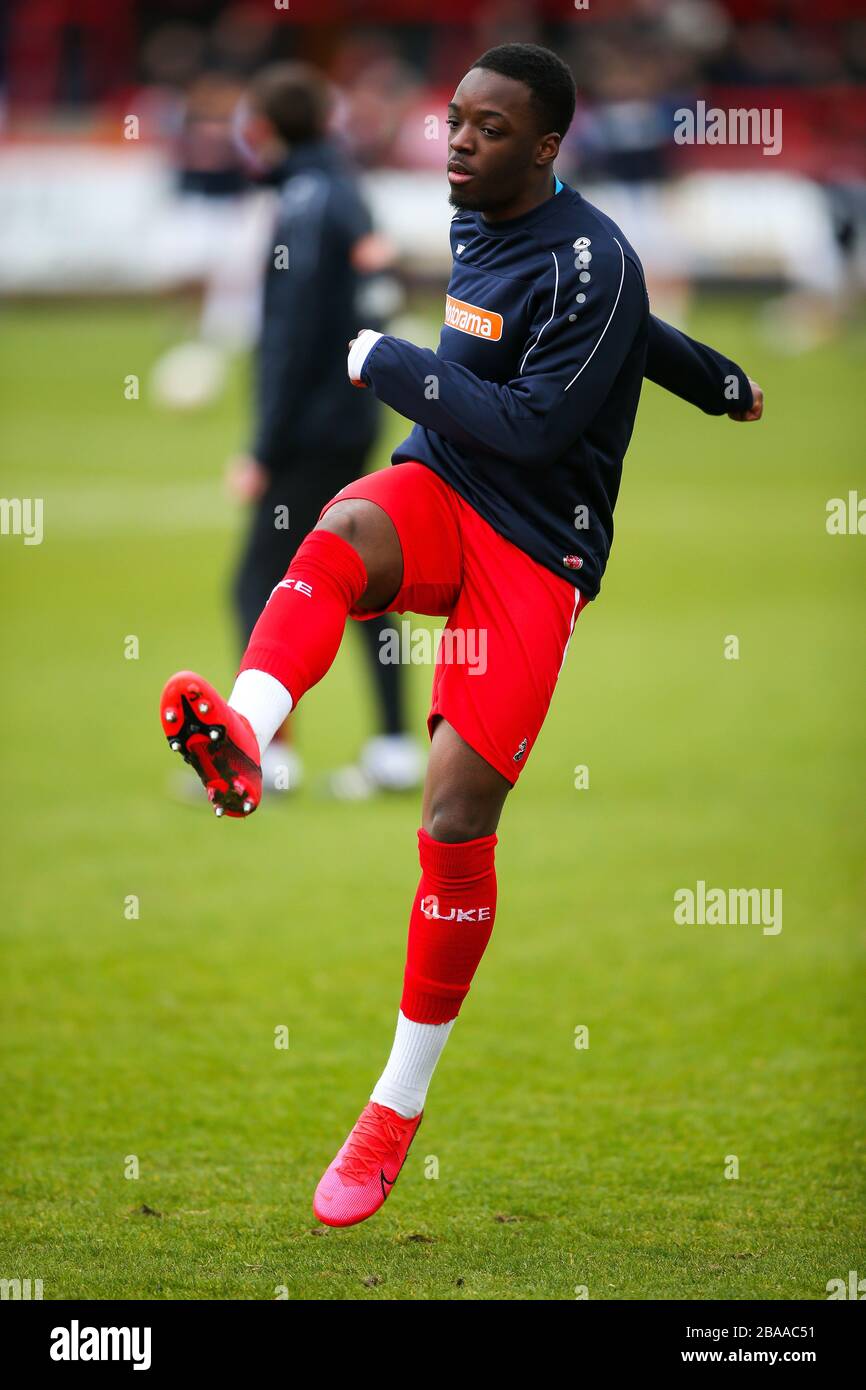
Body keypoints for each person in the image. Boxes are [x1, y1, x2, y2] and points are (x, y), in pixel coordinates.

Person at [160, 44, 763, 1228]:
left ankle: (392, 1107)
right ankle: (248, 727)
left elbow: (540, 426)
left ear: (546, 146)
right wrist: (718, 383)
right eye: (451, 120)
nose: (456, 142)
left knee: (452, 820)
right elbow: (624, 341)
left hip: (538, 550)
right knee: (337, 535)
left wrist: (390, 364)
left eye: (488, 129)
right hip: (443, 490)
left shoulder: (594, 254)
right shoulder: (486, 220)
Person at [229, 62, 422, 796]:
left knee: (262, 581)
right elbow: (381, 295)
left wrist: (262, 447)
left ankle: (265, 756)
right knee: (360, 579)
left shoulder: (305, 204)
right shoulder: (347, 190)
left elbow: (292, 339)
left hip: (309, 427)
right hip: (355, 413)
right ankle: (397, 747)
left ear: (264, 128)